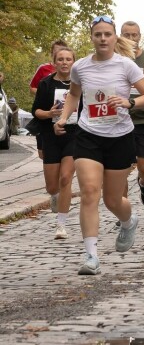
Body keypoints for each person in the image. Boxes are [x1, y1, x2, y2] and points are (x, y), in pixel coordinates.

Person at [54, 16, 144, 275]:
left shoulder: (127, 66)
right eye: (97, 34)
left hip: (120, 137)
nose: (102, 39)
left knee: (113, 200)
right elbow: (74, 94)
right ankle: (91, 256)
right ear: (92, 37)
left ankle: (128, 220)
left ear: (114, 38)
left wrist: (128, 103)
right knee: (89, 191)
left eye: (107, 34)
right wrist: (65, 117)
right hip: (89, 135)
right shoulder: (80, 67)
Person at [32, 44, 78, 239]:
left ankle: (61, 225)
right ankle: (55, 196)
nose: (65, 62)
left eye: (68, 59)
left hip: (74, 135)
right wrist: (50, 113)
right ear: (54, 62)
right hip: (51, 137)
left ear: (74, 62)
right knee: (52, 186)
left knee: (66, 178)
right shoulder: (46, 84)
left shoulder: (80, 84)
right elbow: (36, 112)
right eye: (61, 59)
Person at [121, 21, 144, 206]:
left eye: (134, 35)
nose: (131, 39)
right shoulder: (115, 59)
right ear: (120, 36)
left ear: (140, 36)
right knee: (120, 170)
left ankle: (143, 183)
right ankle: (122, 207)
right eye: (126, 35)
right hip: (120, 119)